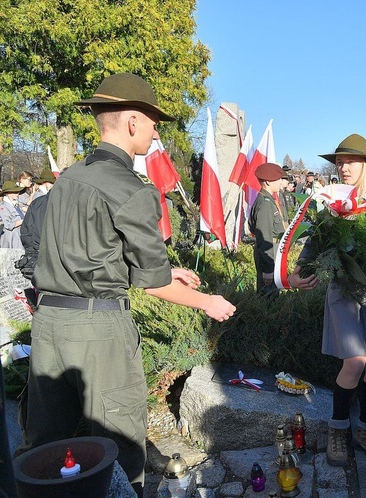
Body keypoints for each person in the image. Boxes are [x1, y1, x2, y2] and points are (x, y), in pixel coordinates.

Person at [16, 73, 236, 497]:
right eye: (153, 122)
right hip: (99, 333)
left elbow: (88, 254)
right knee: (120, 448)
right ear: (133, 122)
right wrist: (207, 300)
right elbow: (152, 285)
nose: (156, 132)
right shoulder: (131, 188)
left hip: (50, 324)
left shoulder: (69, 180)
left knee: (43, 446)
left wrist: (164, 272)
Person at [288, 133, 366, 467]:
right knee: (354, 360)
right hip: (344, 288)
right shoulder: (329, 200)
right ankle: (338, 430)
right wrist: (298, 272)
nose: (342, 167)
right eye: (339, 162)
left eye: (349, 161)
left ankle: (365, 430)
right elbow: (313, 243)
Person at [249, 162, 287, 296]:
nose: (281, 182)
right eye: (278, 179)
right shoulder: (265, 204)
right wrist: (268, 269)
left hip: (274, 250)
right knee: (268, 296)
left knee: (273, 293)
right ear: (268, 182)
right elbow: (264, 237)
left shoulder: (268, 200)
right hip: (269, 253)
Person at [17, 171, 57, 280]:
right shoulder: (39, 198)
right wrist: (32, 252)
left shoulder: (39, 199)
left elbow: (27, 230)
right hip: (41, 249)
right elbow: (27, 230)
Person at [0, 180, 25, 248]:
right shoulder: (3, 206)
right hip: (10, 238)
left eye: (17, 192)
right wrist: (23, 221)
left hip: (19, 235)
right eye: (15, 192)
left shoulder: (15, 204)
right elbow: (8, 225)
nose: (17, 194)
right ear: (7, 193)